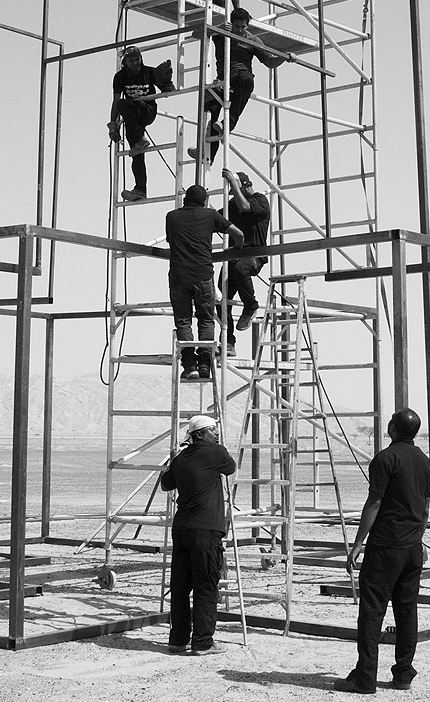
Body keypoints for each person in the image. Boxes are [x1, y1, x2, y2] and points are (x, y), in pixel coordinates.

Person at [333, 408, 430, 695]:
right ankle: (403, 673)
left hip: (385, 547)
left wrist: (357, 544)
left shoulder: (385, 459)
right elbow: (425, 508)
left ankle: (365, 678)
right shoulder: (426, 463)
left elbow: (374, 503)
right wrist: (419, 538)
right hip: (412, 548)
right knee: (406, 611)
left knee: (371, 612)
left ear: (391, 428)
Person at [160, 413, 236, 656]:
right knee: (206, 585)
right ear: (200, 434)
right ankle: (203, 642)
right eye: (212, 430)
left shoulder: (181, 458)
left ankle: (178, 640)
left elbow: (166, 483)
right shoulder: (214, 452)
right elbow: (231, 466)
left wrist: (174, 460)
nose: (216, 434)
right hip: (206, 530)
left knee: (180, 587)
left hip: (182, 529)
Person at [165, 185, 244, 380]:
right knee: (206, 319)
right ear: (204, 202)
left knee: (183, 321)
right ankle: (204, 365)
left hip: (179, 276)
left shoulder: (172, 217)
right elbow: (238, 234)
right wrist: (238, 251)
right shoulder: (210, 215)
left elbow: (171, 240)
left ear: (185, 200)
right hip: (203, 275)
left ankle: (189, 365)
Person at [190, 7, 285, 164]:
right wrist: (217, 29)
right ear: (231, 23)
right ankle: (206, 153)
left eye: (243, 26)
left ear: (247, 25)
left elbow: (270, 62)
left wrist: (285, 58)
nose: (240, 30)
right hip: (224, 79)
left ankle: (227, 125)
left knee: (247, 82)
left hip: (242, 78)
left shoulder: (252, 40)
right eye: (237, 26)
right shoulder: (222, 33)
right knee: (211, 109)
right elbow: (196, 34)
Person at [108, 46, 174, 202]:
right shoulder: (120, 77)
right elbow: (116, 101)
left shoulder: (149, 72)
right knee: (136, 154)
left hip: (146, 111)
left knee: (125, 105)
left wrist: (166, 82)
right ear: (125, 62)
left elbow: (168, 90)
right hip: (132, 119)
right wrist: (113, 124)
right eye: (131, 60)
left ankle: (140, 140)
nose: (135, 63)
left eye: (137, 59)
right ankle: (140, 189)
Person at [217, 168, 270, 355]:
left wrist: (233, 183)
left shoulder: (260, 201)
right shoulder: (233, 204)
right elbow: (218, 218)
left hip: (254, 255)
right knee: (219, 296)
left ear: (245, 186)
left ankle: (251, 306)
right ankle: (228, 342)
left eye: (235, 190)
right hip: (234, 254)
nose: (233, 195)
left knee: (241, 269)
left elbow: (245, 207)